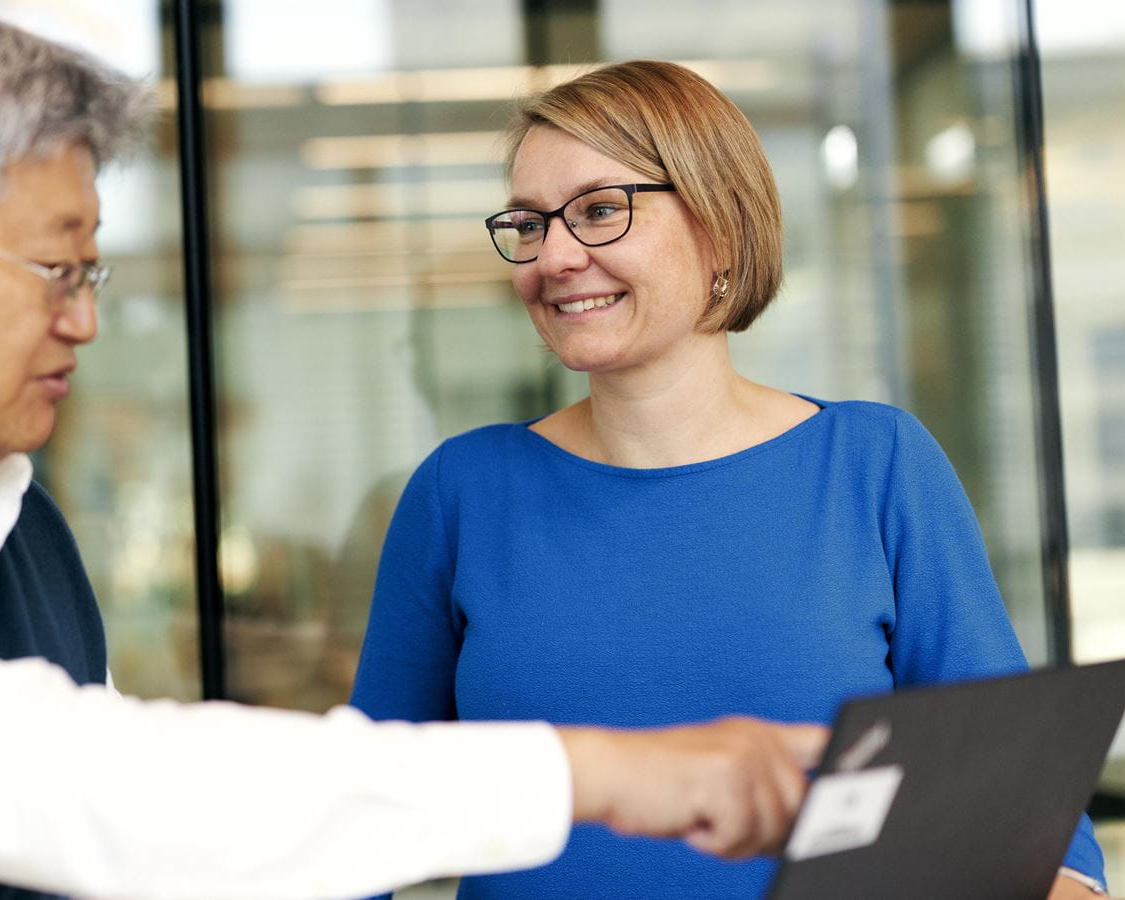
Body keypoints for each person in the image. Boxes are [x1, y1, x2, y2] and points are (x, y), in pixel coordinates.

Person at [0, 8, 827, 899]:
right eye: (53, 265)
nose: (87, 318)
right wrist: (596, 768)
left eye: (92, 269)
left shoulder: (9, 523)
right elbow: (75, 786)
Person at [349, 60, 1109, 900]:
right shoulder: (461, 492)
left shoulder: (874, 465)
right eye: (530, 224)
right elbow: (358, 821)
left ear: (720, 223)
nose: (555, 257)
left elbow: (1028, 831)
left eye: (600, 211)